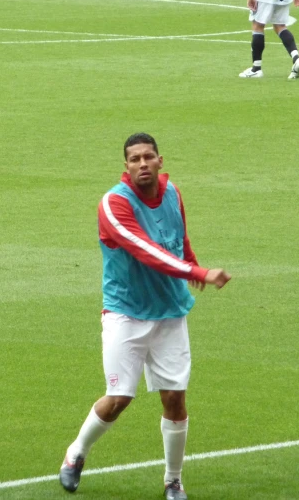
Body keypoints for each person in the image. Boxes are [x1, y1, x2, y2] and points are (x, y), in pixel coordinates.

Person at [59, 134, 232, 500]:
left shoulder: (173, 194)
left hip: (169, 312)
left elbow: (177, 239)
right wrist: (198, 274)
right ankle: (76, 453)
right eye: (134, 159)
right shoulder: (113, 205)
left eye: (147, 157)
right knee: (119, 397)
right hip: (126, 313)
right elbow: (146, 250)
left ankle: (173, 481)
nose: (141, 164)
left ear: (159, 161)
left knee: (175, 400)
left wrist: (193, 264)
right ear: (126, 166)